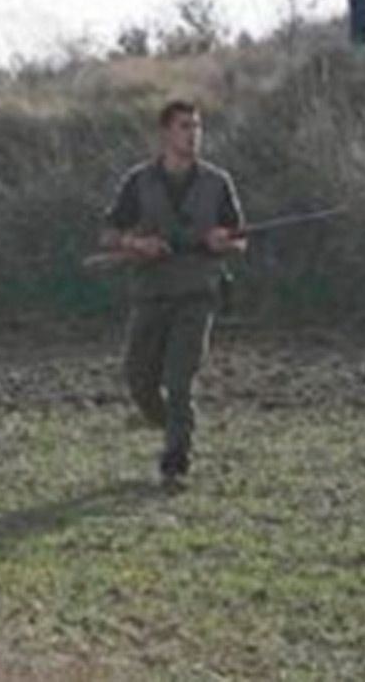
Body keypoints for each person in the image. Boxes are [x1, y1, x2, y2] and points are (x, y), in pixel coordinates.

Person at [100, 100, 246, 482]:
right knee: (139, 380)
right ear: (165, 133)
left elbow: (239, 238)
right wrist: (136, 244)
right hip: (150, 293)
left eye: (197, 127)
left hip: (197, 294)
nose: (193, 134)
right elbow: (110, 233)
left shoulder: (217, 182)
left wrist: (223, 242)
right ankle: (173, 428)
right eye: (185, 127)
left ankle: (176, 459)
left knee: (180, 381)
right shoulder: (138, 181)